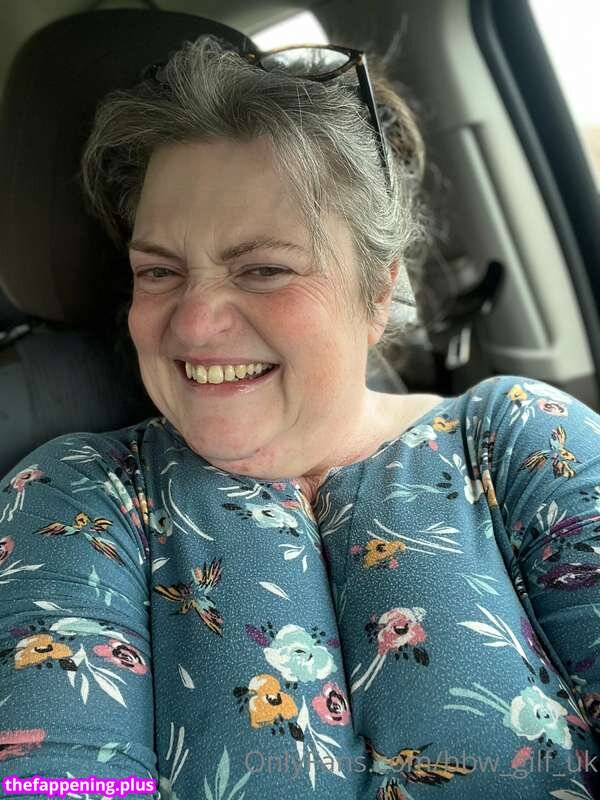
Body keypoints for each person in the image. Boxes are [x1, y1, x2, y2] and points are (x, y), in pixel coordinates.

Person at [0, 32, 599, 800]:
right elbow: (53, 778)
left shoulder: (527, 442)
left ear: (377, 293)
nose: (194, 324)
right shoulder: (74, 496)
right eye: (160, 271)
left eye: (264, 269)